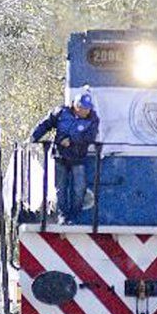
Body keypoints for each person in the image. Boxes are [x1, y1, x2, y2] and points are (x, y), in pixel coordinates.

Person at [30, 92, 99, 224]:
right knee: (60, 188)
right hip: (59, 156)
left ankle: (74, 217)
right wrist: (33, 137)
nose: (86, 111)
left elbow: (90, 136)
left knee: (79, 188)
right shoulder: (61, 112)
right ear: (76, 106)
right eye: (84, 108)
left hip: (78, 157)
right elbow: (46, 124)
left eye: (88, 108)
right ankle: (62, 215)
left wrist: (71, 141)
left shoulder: (92, 119)